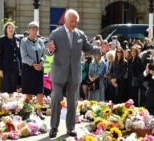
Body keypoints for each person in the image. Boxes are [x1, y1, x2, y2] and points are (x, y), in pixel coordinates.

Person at [46, 9, 108, 138]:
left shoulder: (80, 35)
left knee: (73, 102)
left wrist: (100, 51)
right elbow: (48, 51)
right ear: (66, 20)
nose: (74, 24)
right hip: (59, 72)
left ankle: (70, 128)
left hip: (74, 73)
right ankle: (54, 127)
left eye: (76, 22)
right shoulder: (56, 33)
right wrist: (50, 50)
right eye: (72, 21)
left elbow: (89, 49)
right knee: (56, 97)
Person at [20, 21, 45, 120]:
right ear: (29, 30)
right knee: (29, 91)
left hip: (39, 68)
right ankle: (29, 111)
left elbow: (43, 54)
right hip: (28, 68)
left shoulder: (41, 41)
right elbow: (24, 56)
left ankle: (39, 111)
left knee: (40, 91)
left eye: (36, 29)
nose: (35, 31)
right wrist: (34, 64)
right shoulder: (24, 41)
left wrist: (41, 63)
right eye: (33, 29)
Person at [0, 22, 21, 96]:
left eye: (12, 28)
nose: (11, 29)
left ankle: (13, 104)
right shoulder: (2, 40)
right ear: (6, 30)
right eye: (9, 28)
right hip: (6, 67)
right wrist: (0, 69)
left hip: (15, 67)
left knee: (15, 87)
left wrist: (21, 67)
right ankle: (6, 105)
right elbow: (0, 55)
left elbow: (19, 54)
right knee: (6, 87)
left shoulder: (17, 39)